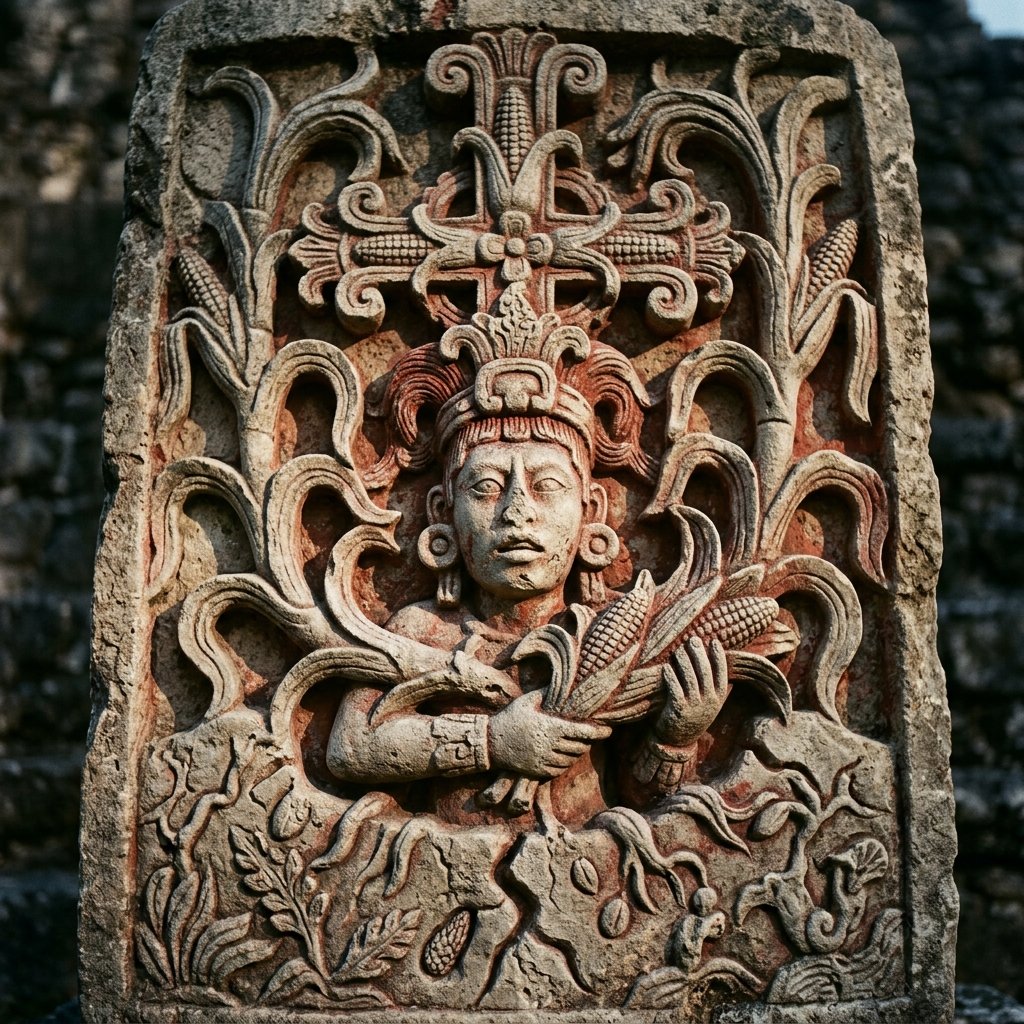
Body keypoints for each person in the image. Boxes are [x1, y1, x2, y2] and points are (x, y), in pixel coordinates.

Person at [326, 284, 729, 826]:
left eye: (546, 486)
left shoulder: (616, 631)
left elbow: (642, 797)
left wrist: (676, 737)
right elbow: (350, 747)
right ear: (442, 513)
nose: (518, 512)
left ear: (591, 511)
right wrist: (491, 741)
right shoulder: (421, 631)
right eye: (487, 488)